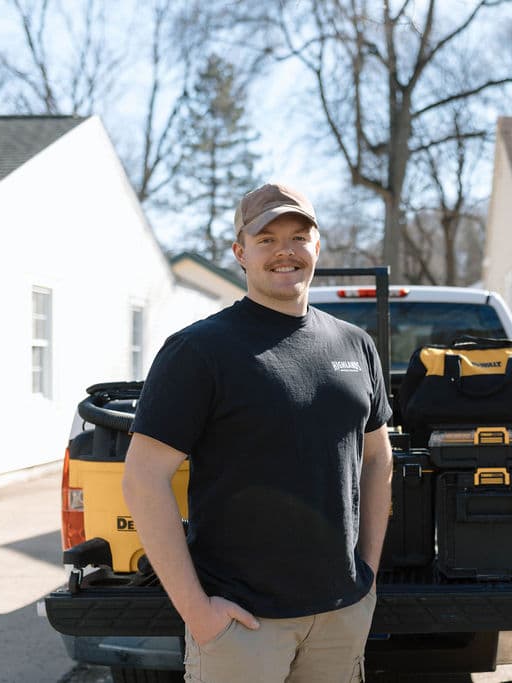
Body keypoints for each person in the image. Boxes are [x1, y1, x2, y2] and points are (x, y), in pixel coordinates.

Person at [122, 182, 393, 683]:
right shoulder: (200, 351)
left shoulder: (356, 346)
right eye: (266, 239)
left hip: (341, 616)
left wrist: (367, 578)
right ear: (240, 253)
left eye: (298, 236)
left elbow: (378, 458)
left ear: (318, 246)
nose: (284, 251)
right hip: (241, 626)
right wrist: (198, 613)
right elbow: (142, 478)